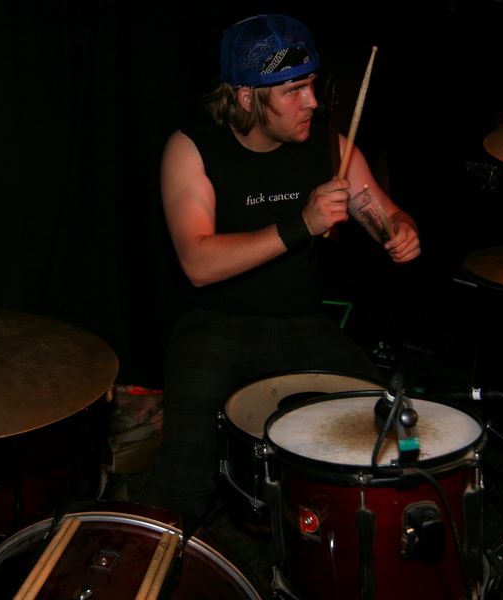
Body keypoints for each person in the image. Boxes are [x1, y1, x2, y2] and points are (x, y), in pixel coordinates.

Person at [142, 14, 421, 533]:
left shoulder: (330, 147)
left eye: (311, 84)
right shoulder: (191, 148)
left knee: (378, 429)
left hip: (303, 322)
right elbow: (198, 263)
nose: (312, 102)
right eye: (293, 90)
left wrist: (400, 231)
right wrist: (300, 225)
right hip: (215, 324)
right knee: (184, 474)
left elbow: (382, 212)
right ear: (247, 96)